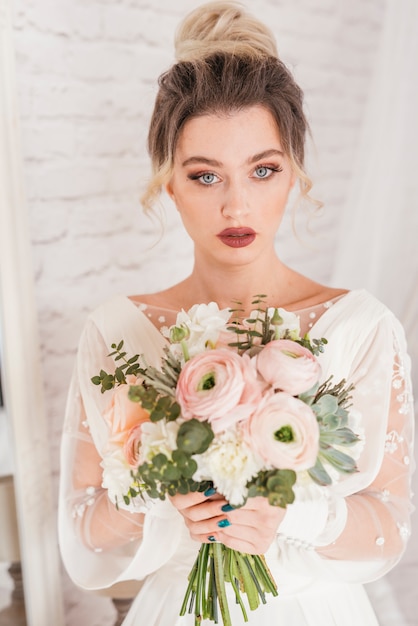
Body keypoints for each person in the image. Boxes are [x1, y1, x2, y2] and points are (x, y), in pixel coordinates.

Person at [58, 2, 414, 625]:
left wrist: (294, 513)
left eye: (263, 170)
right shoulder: (118, 333)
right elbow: (84, 527)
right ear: (169, 183)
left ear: (294, 175)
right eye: (205, 177)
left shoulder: (361, 328)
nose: (236, 205)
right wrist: (160, 498)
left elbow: (390, 525)